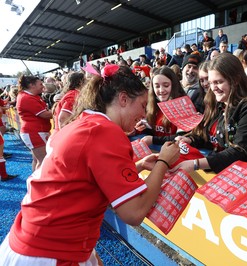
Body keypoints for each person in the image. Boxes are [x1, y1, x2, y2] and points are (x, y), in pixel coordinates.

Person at [0, 65, 180, 265]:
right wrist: (163, 161)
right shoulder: (106, 132)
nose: (144, 112)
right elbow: (134, 212)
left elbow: (86, 179)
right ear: (123, 99)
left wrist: (137, 166)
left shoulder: (84, 121)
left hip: (32, 240)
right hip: (51, 252)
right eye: (142, 104)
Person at [173, 53, 247, 173]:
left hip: (239, 177)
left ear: (236, 79)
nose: (213, 88)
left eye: (218, 82)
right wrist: (191, 139)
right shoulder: (217, 103)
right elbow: (208, 138)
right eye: (211, 83)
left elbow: (240, 150)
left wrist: (196, 164)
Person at [138, 66, 187, 146]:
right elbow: (153, 131)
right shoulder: (152, 105)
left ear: (174, 85)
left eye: (166, 85)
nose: (161, 90)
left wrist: (154, 140)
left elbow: (181, 137)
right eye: (157, 86)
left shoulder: (183, 106)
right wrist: (142, 128)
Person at [16, 75, 53, 171]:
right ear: (32, 85)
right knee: (43, 161)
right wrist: (59, 109)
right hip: (34, 132)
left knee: (37, 160)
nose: (43, 86)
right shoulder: (26, 98)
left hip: (35, 131)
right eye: (40, 84)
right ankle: (40, 184)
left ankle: (35, 183)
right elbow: (45, 114)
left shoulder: (30, 96)